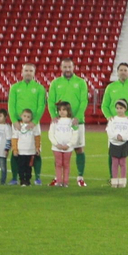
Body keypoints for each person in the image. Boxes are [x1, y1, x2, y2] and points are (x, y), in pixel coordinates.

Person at [47, 59, 91, 187]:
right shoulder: (55, 83)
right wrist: (54, 116)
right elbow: (50, 101)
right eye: (65, 67)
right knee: (58, 150)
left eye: (69, 67)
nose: (67, 69)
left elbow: (84, 101)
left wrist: (77, 117)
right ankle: (58, 178)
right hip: (60, 122)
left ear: (73, 67)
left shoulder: (80, 82)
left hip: (77, 121)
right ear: (61, 68)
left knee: (79, 148)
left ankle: (80, 177)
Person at [6, 63, 48, 185]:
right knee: (16, 150)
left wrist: (35, 121)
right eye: (26, 70)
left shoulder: (40, 88)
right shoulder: (14, 87)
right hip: (18, 124)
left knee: (36, 150)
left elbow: (41, 106)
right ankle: (14, 177)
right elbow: (11, 105)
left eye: (31, 70)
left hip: (34, 124)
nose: (28, 72)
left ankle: (37, 177)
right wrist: (14, 121)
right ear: (22, 72)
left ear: (34, 73)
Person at [48, 101, 79, 187]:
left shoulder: (72, 121)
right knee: (58, 163)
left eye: (64, 110)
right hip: (56, 147)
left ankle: (65, 181)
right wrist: (56, 144)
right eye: (60, 110)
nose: (61, 111)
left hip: (68, 148)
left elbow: (75, 134)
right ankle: (59, 181)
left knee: (66, 164)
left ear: (68, 111)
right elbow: (51, 134)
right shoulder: (55, 121)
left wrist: (69, 145)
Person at [106, 99, 128, 188]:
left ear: (125, 109)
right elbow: (109, 130)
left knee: (123, 162)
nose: (119, 110)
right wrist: (116, 137)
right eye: (117, 108)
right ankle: (114, 181)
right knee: (114, 162)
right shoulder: (112, 119)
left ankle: (123, 181)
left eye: (121, 108)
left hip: (124, 143)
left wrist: (123, 138)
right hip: (114, 143)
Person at [12, 108, 40, 186]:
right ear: (21, 116)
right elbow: (14, 138)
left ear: (31, 118)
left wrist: (37, 148)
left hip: (31, 151)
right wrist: (15, 149)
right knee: (21, 166)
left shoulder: (34, 126)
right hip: (21, 151)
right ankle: (22, 180)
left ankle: (27, 180)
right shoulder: (18, 126)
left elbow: (37, 137)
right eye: (24, 116)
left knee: (29, 167)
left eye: (28, 117)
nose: (26, 118)